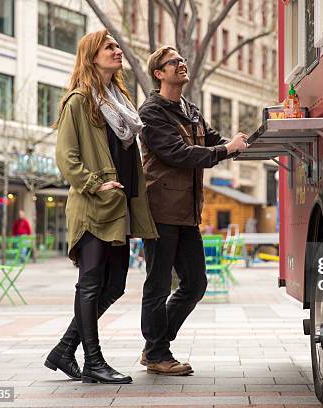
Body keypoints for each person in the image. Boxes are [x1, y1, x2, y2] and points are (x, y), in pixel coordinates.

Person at [47, 29, 158, 384]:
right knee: (91, 284)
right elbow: (66, 158)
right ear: (91, 56)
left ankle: (65, 349)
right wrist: (96, 183)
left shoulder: (118, 100)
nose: (117, 50)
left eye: (116, 45)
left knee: (115, 285)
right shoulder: (79, 101)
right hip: (95, 206)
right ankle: (93, 361)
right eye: (108, 46)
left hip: (121, 206)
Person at [138, 46, 248, 375]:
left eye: (182, 60)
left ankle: (154, 346)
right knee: (158, 284)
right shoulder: (152, 112)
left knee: (196, 283)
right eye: (174, 62)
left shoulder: (190, 109)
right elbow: (180, 154)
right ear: (159, 73)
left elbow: (213, 140)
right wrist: (225, 149)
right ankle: (158, 353)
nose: (182, 64)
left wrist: (240, 142)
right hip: (161, 208)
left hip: (187, 211)